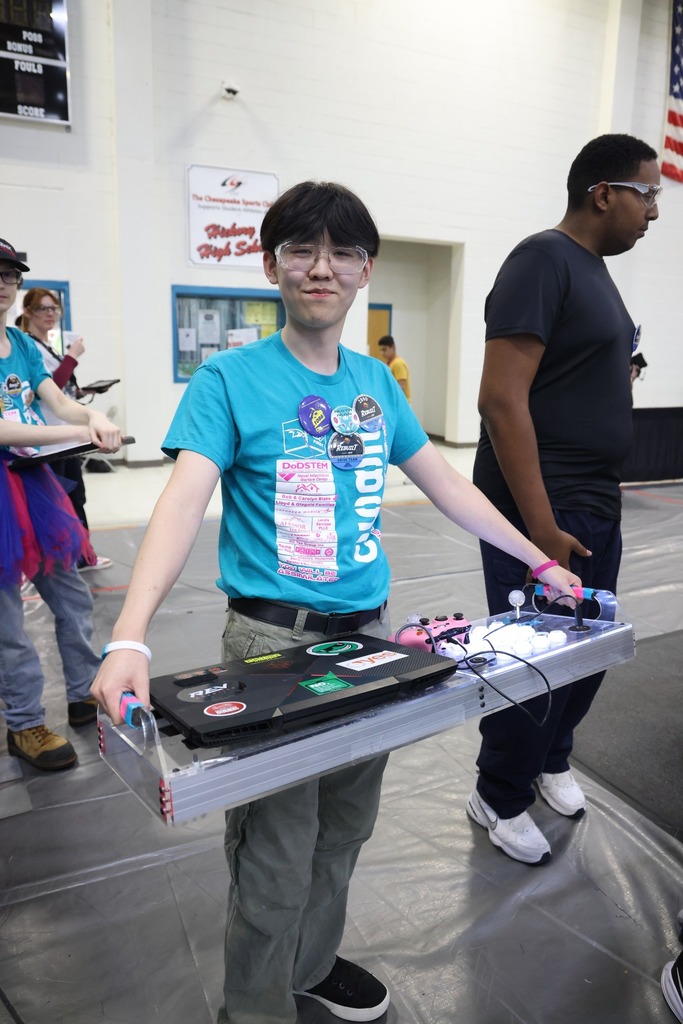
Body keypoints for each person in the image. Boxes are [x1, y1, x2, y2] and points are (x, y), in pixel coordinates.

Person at [91, 181, 580, 1024]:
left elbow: (445, 487)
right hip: (269, 649)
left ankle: (308, 967)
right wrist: (127, 636)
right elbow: (179, 503)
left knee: (345, 831)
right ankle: (254, 1009)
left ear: (364, 269)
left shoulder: (376, 385)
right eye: (301, 250)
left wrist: (537, 557)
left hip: (372, 647)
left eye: (342, 251)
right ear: (271, 263)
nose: (322, 268)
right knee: (275, 852)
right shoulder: (230, 380)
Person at [468, 133, 661, 865]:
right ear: (602, 192)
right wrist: (538, 526)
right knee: (536, 662)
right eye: (646, 194)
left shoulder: (595, 274)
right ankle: (498, 793)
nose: (653, 212)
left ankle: (549, 760)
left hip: (591, 500)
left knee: (585, 652)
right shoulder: (541, 259)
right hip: (542, 508)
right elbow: (500, 399)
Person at [0, 238, 123, 770]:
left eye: (10, 275)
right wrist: (57, 432)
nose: (2, 284)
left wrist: (89, 418)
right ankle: (25, 723)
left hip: (30, 482)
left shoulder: (21, 345)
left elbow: (58, 399)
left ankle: (82, 692)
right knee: (5, 616)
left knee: (71, 596)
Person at [20, 287, 112, 570]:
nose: (50, 314)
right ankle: (65, 558)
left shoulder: (44, 345)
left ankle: (83, 556)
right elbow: (48, 391)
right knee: (57, 501)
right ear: (27, 312)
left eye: (54, 309)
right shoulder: (26, 345)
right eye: (42, 308)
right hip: (48, 438)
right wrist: (72, 357)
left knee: (76, 497)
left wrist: (82, 395)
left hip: (66, 437)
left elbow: (60, 393)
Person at [377, 334, 411, 401]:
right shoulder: (389, 364)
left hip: (401, 404)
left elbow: (402, 386)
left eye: (384, 350)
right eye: (380, 350)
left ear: (393, 347)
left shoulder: (398, 363)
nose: (382, 353)